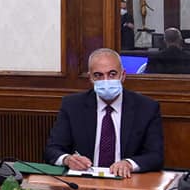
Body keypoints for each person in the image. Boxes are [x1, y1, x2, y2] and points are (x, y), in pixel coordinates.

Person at [44, 48, 164, 177]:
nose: (106, 80)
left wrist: (129, 164)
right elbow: (52, 150)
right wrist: (67, 159)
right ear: (90, 78)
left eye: (112, 74)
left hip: (127, 180)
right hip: (85, 180)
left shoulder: (146, 108)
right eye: (98, 75)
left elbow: (156, 156)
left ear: (123, 75)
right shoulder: (72, 106)